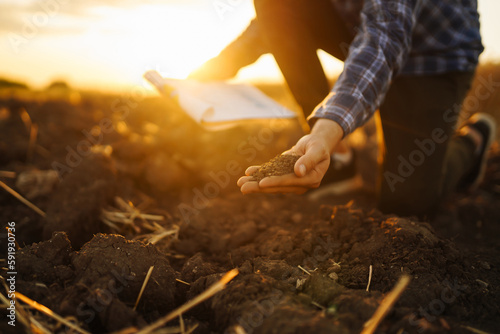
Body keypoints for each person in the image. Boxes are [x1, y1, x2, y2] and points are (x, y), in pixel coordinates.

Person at [189, 0, 496, 217]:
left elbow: (384, 38)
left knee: (407, 200)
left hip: (431, 58)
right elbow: (274, 20)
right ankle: (337, 153)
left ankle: (474, 140)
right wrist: (204, 74)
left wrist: (327, 126)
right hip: (364, 35)